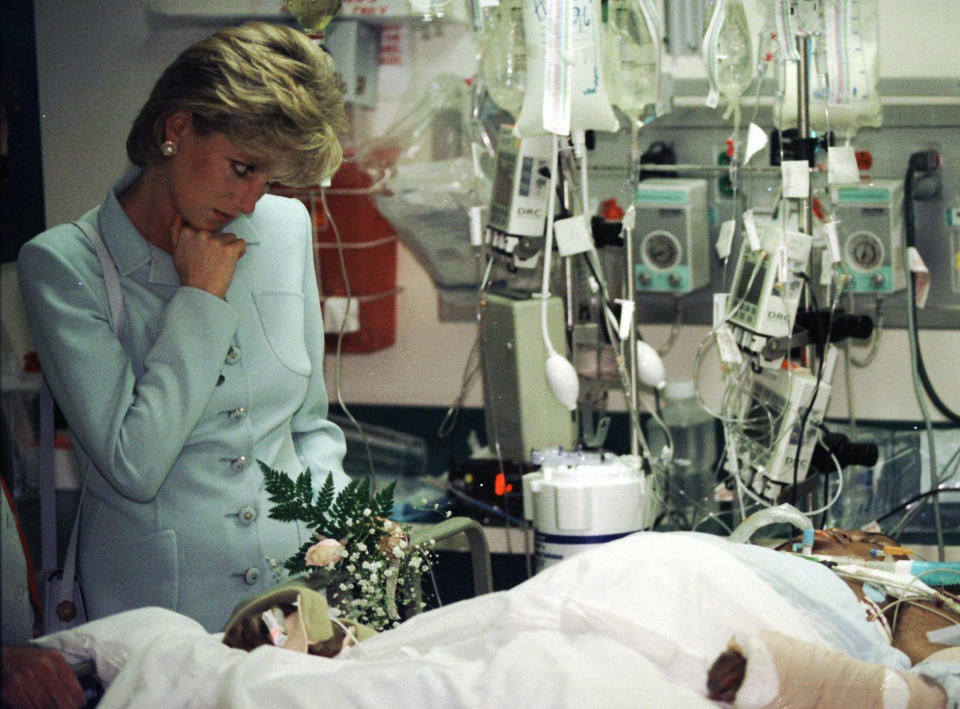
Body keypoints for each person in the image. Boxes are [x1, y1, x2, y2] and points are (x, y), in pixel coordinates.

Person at [17, 21, 352, 632]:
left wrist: (336, 535)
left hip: (297, 607)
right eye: (242, 167)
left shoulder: (283, 230)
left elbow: (309, 426)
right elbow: (133, 465)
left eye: (269, 179)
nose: (252, 201)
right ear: (177, 129)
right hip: (162, 621)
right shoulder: (64, 266)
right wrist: (199, 298)